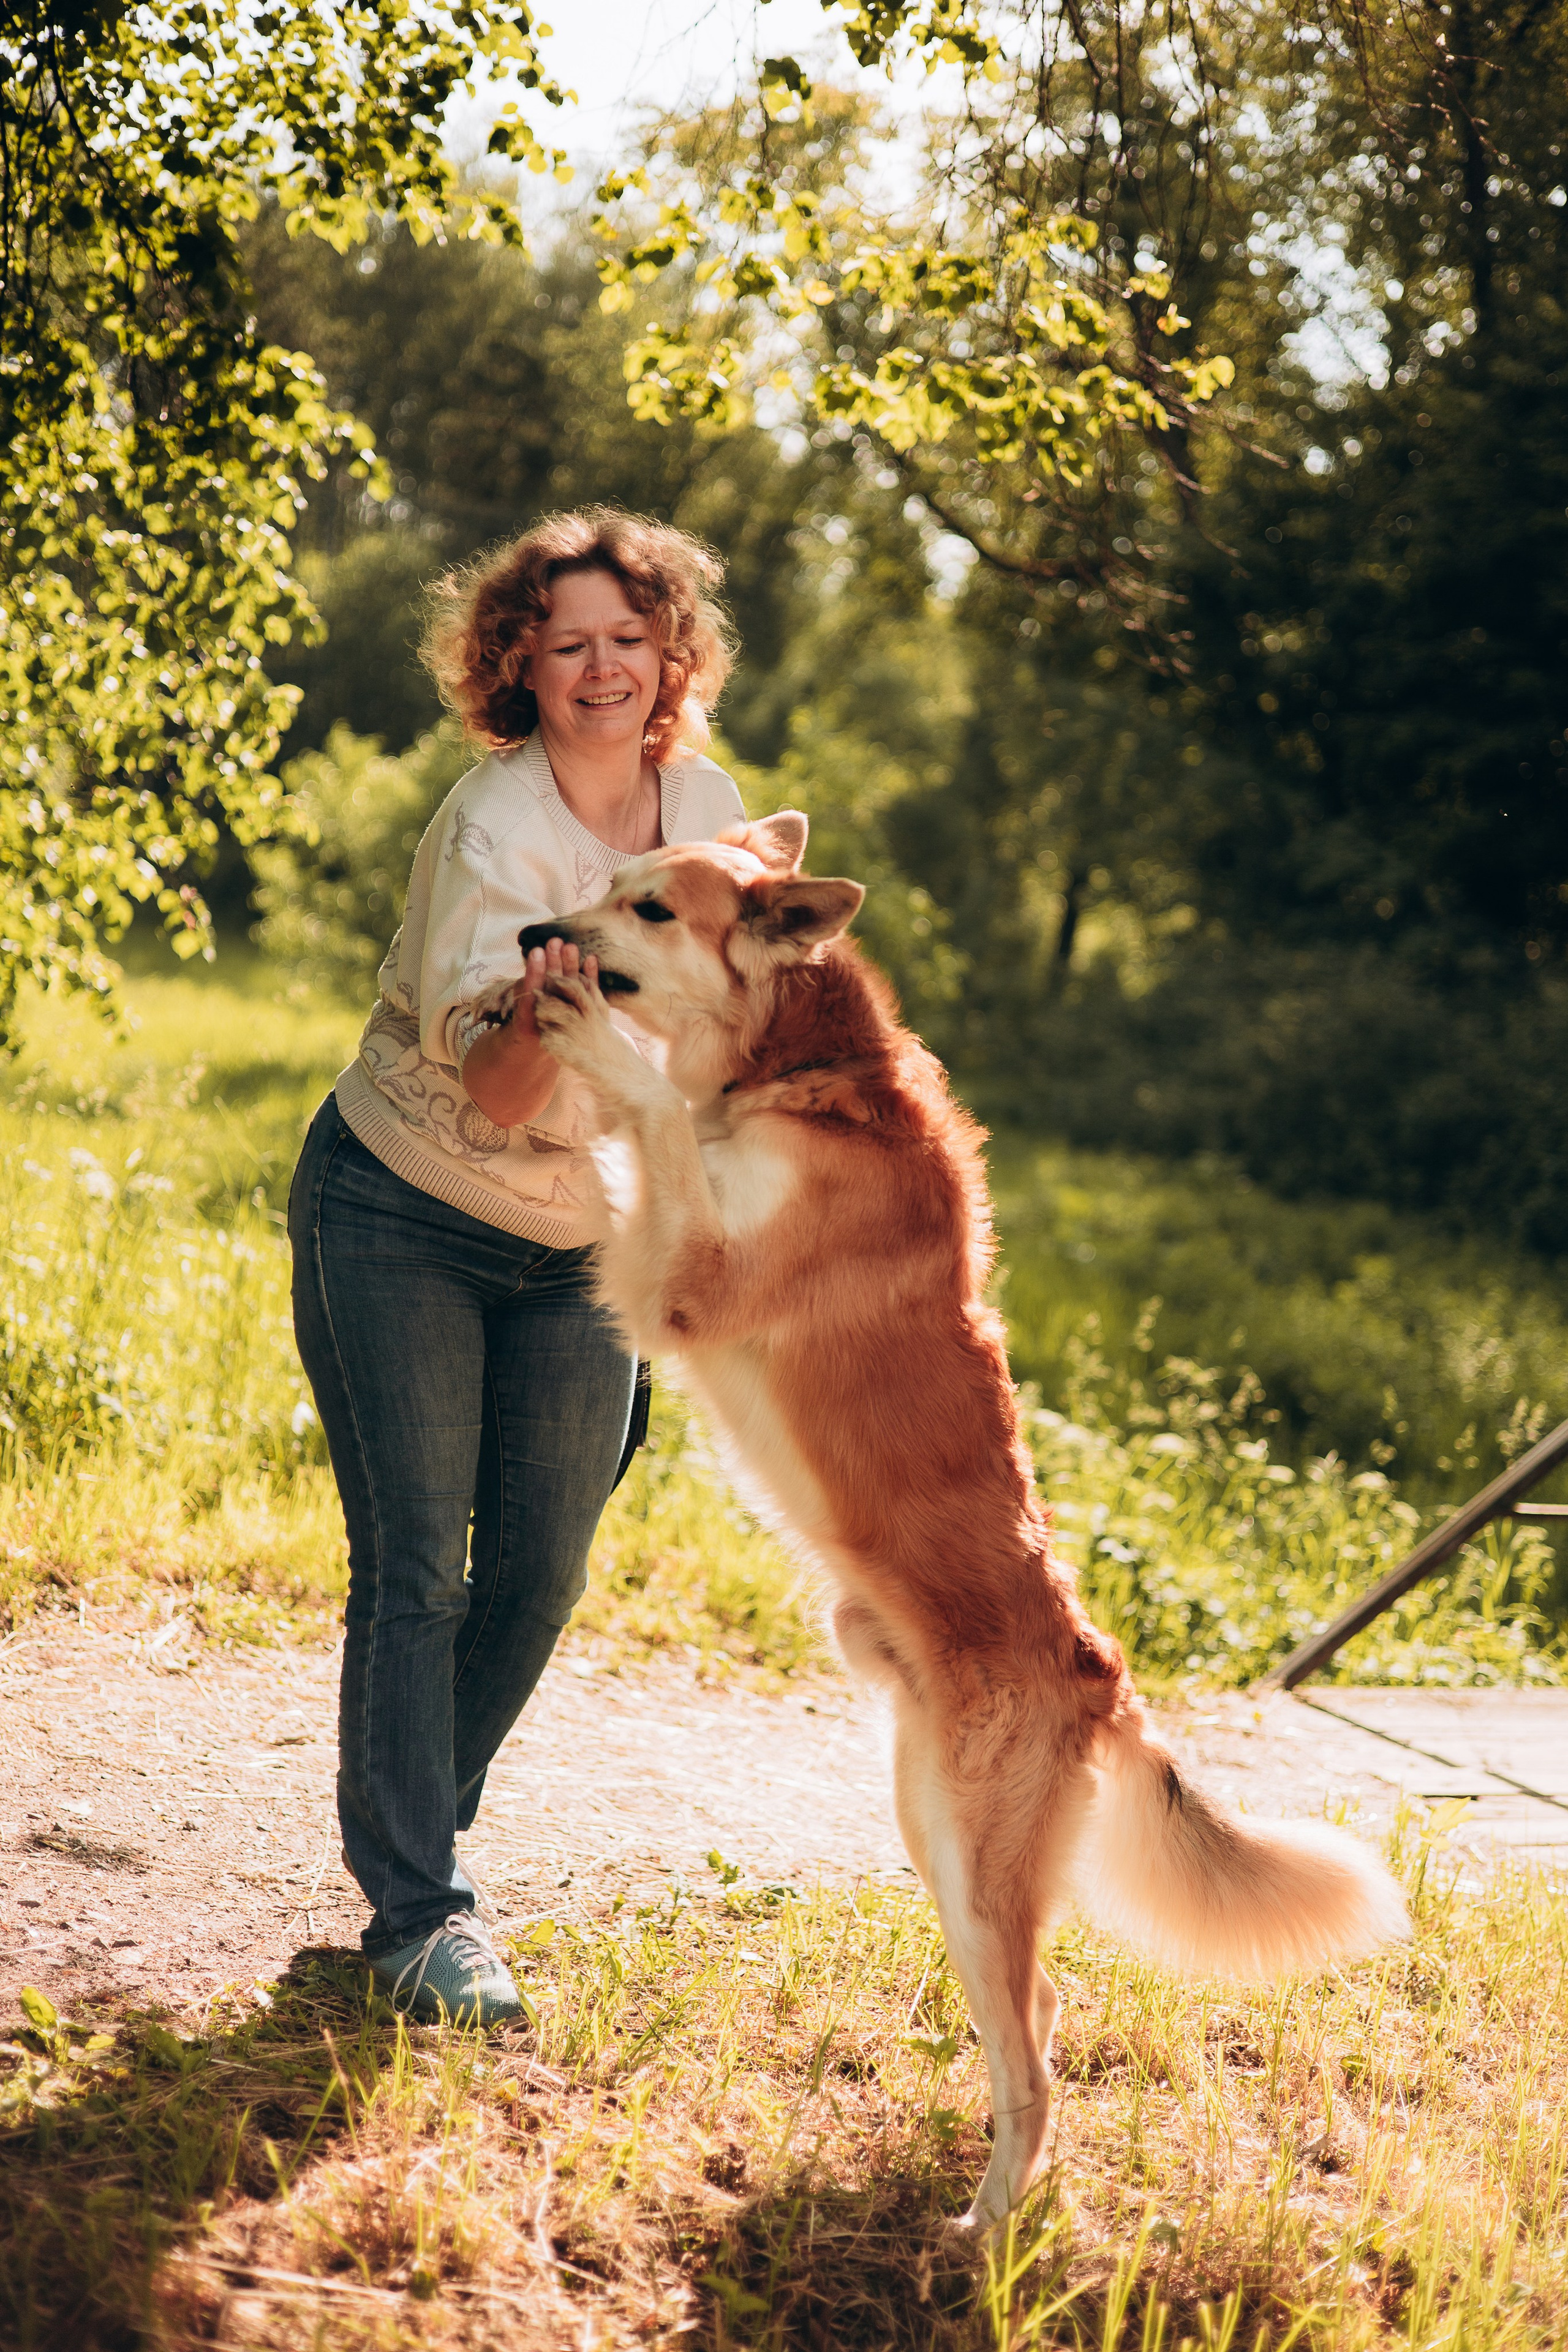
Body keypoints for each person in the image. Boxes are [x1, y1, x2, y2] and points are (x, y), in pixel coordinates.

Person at [288, 508, 745, 2023]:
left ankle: (406, 1813)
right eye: (567, 645)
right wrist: (547, 1012)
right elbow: (494, 1096)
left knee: (540, 1572)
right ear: (518, 665)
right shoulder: (497, 832)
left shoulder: (708, 806)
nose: (602, 667)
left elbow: (731, 1020)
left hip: (578, 1249)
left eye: (628, 637)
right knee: (417, 1570)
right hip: (403, 1213)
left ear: (668, 651)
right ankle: (419, 1911)